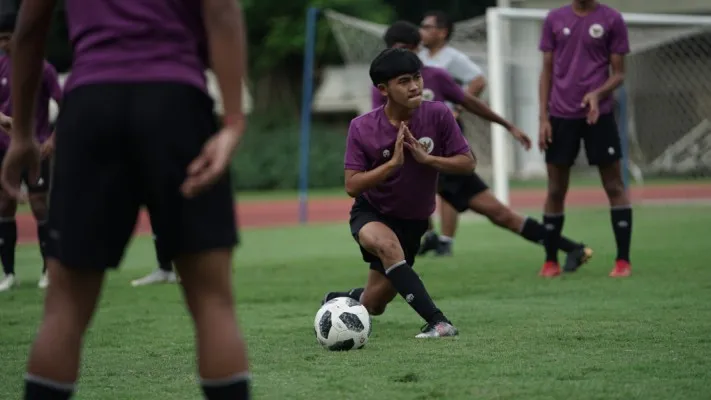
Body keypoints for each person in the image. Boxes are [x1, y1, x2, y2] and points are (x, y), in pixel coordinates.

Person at [2, 1, 250, 399]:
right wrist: (234, 120)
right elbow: (221, 11)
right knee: (212, 300)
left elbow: (30, 27)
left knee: (64, 304)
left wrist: (21, 137)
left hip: (91, 104)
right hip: (176, 100)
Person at [374, 21, 593, 274]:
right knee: (393, 212)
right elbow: (378, 123)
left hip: (445, 164)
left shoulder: (435, 77)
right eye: (392, 48)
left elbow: (471, 102)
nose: (397, 54)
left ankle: (572, 248)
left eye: (403, 48)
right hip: (412, 166)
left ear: (416, 48)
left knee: (500, 214)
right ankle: (409, 258)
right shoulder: (381, 87)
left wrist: (508, 125)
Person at [322, 48, 476, 338]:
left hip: (414, 222)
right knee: (390, 249)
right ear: (383, 89)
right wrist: (392, 165)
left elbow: (468, 163)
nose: (415, 86)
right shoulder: (362, 127)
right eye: (404, 81)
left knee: (374, 303)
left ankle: (340, 299)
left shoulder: (439, 114)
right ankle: (439, 322)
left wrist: (430, 160)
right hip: (372, 212)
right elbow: (352, 185)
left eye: (417, 78)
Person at [538, 0, 632, 278]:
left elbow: (619, 74)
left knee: (614, 185)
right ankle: (550, 261)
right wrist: (543, 118)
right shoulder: (554, 18)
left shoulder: (612, 19)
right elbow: (546, 71)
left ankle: (623, 261)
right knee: (555, 190)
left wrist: (596, 94)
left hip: (598, 115)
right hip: (559, 115)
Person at [0, 14, 61, 292]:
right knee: (4, 207)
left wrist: (52, 139)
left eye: (7, 37)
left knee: (39, 206)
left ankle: (48, 269)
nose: (3, 44)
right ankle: (9, 273)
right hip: (4, 149)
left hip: (36, 151)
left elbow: (66, 103)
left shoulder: (43, 69)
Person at [417, 10, 486, 256]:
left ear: (442, 32)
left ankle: (446, 240)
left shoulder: (452, 57)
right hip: (421, 128)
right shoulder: (420, 56)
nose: (422, 31)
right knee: (421, 183)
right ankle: (429, 234)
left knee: (448, 185)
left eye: (427, 26)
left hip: (445, 127)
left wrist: (458, 108)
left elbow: (478, 80)